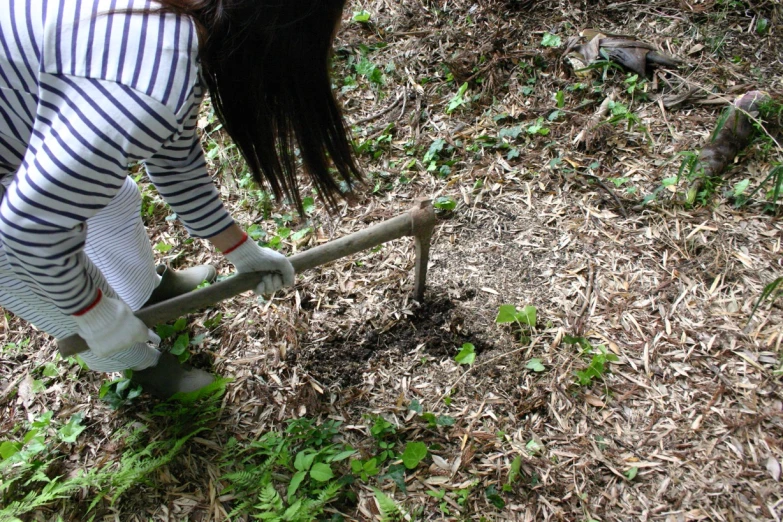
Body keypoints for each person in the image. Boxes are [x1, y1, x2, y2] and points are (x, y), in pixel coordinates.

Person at [0, 0, 362, 398]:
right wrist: (93, 312)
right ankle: (141, 363)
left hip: (18, 121)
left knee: (111, 199)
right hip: (15, 213)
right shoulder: (148, 87)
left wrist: (241, 250)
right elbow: (28, 229)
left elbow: (175, 160)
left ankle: (144, 293)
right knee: (31, 279)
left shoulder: (186, 26)